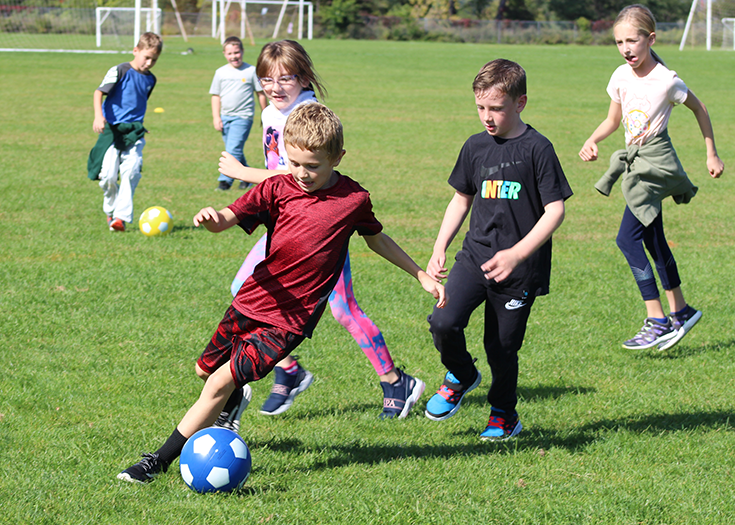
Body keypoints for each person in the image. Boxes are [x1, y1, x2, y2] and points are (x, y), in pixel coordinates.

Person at [117, 102, 446, 483]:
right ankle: (234, 399)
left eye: (312, 166)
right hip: (252, 300)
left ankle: (155, 462)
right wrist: (212, 220)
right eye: (293, 163)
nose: (302, 174)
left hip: (289, 320)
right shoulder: (276, 187)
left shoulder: (353, 200)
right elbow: (230, 217)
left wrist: (420, 273)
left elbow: (377, 240)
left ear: (337, 157)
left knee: (218, 382)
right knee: (204, 370)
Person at [219, 40, 426, 421]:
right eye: (266, 78)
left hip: (320, 229)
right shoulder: (271, 111)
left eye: (285, 78)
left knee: (344, 310)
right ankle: (288, 370)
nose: (275, 86)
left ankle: (396, 381)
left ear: (304, 78)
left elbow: (294, 174)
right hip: (285, 226)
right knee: (242, 290)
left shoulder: (307, 113)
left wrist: (243, 173)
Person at [425, 59, 571, 441]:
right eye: (480, 108)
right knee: (443, 321)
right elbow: (461, 199)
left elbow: (556, 210)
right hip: (475, 256)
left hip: (518, 268)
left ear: (520, 103)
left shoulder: (538, 148)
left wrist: (517, 254)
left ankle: (504, 414)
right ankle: (461, 374)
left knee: (502, 347)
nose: (487, 117)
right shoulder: (475, 147)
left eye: (497, 109)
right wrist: (440, 246)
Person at [579, 4, 724, 351]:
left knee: (627, 239)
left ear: (651, 39)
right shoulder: (620, 76)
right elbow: (614, 120)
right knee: (653, 239)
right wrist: (593, 139)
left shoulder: (667, 80)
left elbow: (699, 108)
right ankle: (682, 310)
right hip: (636, 163)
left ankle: (657, 318)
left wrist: (711, 152)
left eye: (633, 40)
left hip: (655, 164)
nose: (626, 48)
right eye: (619, 42)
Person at [87, 33, 162, 232]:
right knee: (108, 176)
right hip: (112, 130)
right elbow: (99, 92)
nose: (149, 63)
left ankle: (120, 218)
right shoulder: (120, 70)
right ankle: (110, 211)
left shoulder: (151, 79)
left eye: (154, 60)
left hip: (135, 132)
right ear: (135, 51)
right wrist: (98, 116)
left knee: (132, 171)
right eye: (146, 57)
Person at [210, 36, 267, 192]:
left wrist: (265, 113)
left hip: (243, 117)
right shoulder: (220, 73)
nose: (234, 56)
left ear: (242, 51)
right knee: (234, 148)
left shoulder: (251, 71)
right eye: (230, 53)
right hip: (225, 117)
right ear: (224, 54)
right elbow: (216, 96)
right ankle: (248, 177)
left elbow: (261, 93)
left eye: (237, 52)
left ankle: (225, 181)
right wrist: (216, 117)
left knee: (232, 149)